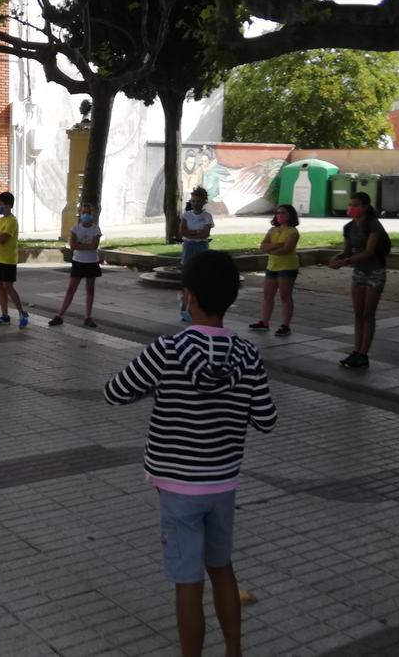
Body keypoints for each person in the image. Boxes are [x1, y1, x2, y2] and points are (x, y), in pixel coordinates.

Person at [103, 250, 276, 657]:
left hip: (178, 489)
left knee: (188, 583)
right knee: (222, 569)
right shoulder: (248, 354)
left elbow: (115, 392)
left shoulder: (166, 350)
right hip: (222, 485)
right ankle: (234, 651)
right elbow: (267, 419)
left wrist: (156, 387)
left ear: (188, 297)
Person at [328, 192, 389, 369]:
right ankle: (356, 350)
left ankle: (364, 353)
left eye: (355, 205)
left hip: (375, 271)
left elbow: (369, 252)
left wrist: (344, 262)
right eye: (350, 204)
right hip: (359, 272)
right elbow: (347, 250)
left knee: (368, 314)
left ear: (365, 207)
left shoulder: (373, 225)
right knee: (358, 313)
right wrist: (337, 257)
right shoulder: (348, 227)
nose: (351, 208)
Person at [250, 204, 301, 337]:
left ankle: (285, 325)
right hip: (272, 266)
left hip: (288, 267)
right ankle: (264, 321)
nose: (280, 215)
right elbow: (262, 246)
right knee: (268, 295)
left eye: (283, 213)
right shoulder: (272, 230)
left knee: (285, 296)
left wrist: (271, 248)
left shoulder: (293, 232)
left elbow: (286, 250)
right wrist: (278, 245)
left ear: (290, 215)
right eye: (278, 213)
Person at [49, 201, 101, 328]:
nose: (86, 215)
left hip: (92, 262)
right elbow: (73, 245)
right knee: (71, 289)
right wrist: (86, 246)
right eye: (84, 213)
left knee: (90, 290)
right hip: (78, 262)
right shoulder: (75, 229)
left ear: (93, 214)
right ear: (80, 214)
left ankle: (88, 317)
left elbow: (94, 246)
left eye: (89, 213)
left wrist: (81, 245)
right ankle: (59, 315)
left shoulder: (96, 229)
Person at [0, 191, 29, 328]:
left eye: (0, 204)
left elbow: (2, 238)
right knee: (0, 286)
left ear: (9, 205)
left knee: (8, 286)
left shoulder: (12, 221)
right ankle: (4, 315)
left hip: (8, 259)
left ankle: (22, 312)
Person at [179, 186, 214, 322]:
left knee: (201, 277)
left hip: (201, 246)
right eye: (193, 201)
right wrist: (196, 233)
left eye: (198, 201)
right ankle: (185, 309)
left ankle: (200, 309)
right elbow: (182, 232)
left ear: (204, 201)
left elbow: (205, 233)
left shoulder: (207, 216)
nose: (195, 204)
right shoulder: (186, 215)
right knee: (187, 277)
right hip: (189, 246)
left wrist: (192, 233)